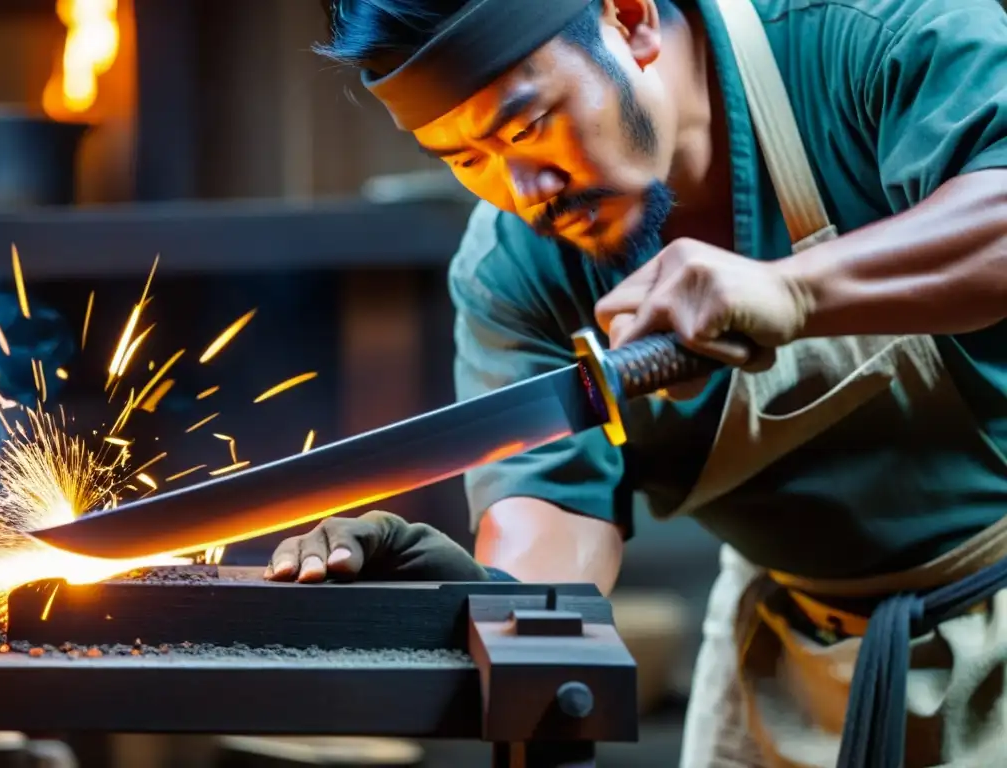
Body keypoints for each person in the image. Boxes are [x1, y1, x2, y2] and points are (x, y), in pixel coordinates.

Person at [266, 0, 1007, 764]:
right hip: (792, 678)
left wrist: (795, 290)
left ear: (631, 19)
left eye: (523, 126)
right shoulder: (515, 272)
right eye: (466, 159)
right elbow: (549, 565)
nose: (525, 192)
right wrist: (468, 604)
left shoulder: (874, 36)